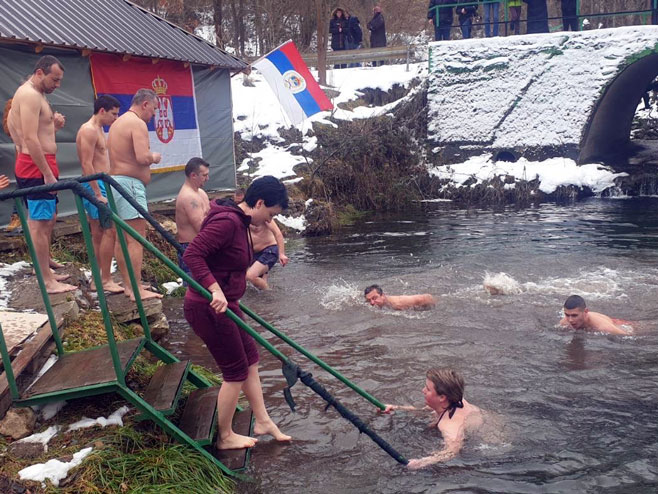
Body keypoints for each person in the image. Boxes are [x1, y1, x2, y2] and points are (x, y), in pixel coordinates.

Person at [182, 175, 291, 450]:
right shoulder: (228, 221)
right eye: (270, 214)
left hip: (227, 304)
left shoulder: (240, 220)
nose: (269, 222)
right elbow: (192, 255)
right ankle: (226, 436)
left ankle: (263, 420)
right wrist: (215, 289)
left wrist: (228, 291)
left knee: (251, 358)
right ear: (260, 202)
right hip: (208, 306)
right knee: (235, 372)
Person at [7, 55, 76, 294]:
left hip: (41, 162)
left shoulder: (37, 95)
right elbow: (27, 138)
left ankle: (44, 266)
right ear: (39, 73)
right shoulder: (28, 95)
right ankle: (46, 280)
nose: (57, 85)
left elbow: (29, 131)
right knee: (38, 223)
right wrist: (46, 173)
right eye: (54, 79)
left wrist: (53, 127)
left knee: (48, 218)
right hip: (36, 166)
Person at [107, 88, 162, 301]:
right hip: (129, 185)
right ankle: (135, 288)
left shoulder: (118, 123)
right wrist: (154, 157)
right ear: (145, 104)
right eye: (154, 109)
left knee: (122, 239)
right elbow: (141, 157)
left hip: (117, 183)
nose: (154, 114)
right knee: (136, 238)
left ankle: (129, 284)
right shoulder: (137, 123)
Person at [381, 368, 483, 469]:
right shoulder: (454, 399)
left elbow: (452, 451)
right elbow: (425, 410)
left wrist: (421, 462)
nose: (423, 390)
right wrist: (396, 408)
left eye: (428, 389)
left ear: (442, 397)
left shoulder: (449, 425)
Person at [76, 95, 123, 293]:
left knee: (99, 233)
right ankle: (104, 279)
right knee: (108, 231)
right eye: (113, 114)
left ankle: (99, 279)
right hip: (94, 185)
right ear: (102, 110)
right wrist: (97, 192)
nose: (115, 118)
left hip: (100, 183)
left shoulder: (98, 129)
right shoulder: (88, 130)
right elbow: (86, 163)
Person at [175, 157, 210, 281]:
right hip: (191, 247)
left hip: (204, 247)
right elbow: (201, 227)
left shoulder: (201, 193)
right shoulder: (188, 197)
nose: (207, 178)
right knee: (195, 291)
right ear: (193, 175)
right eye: (204, 175)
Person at [246, 211, 288, 291]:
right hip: (254, 252)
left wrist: (282, 254)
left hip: (270, 250)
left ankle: (269, 293)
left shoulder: (263, 215)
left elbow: (278, 234)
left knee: (250, 276)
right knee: (248, 279)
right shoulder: (241, 215)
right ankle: (264, 300)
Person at [560, 295, 631, 335]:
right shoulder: (564, 322)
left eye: (574, 315)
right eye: (567, 315)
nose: (570, 320)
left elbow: (627, 336)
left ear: (585, 311)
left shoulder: (604, 328)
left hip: (620, 324)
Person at [364, 284, 435, 310]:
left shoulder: (399, 303)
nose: (372, 303)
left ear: (383, 295)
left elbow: (426, 298)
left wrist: (433, 306)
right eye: (369, 300)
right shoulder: (372, 304)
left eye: (374, 298)